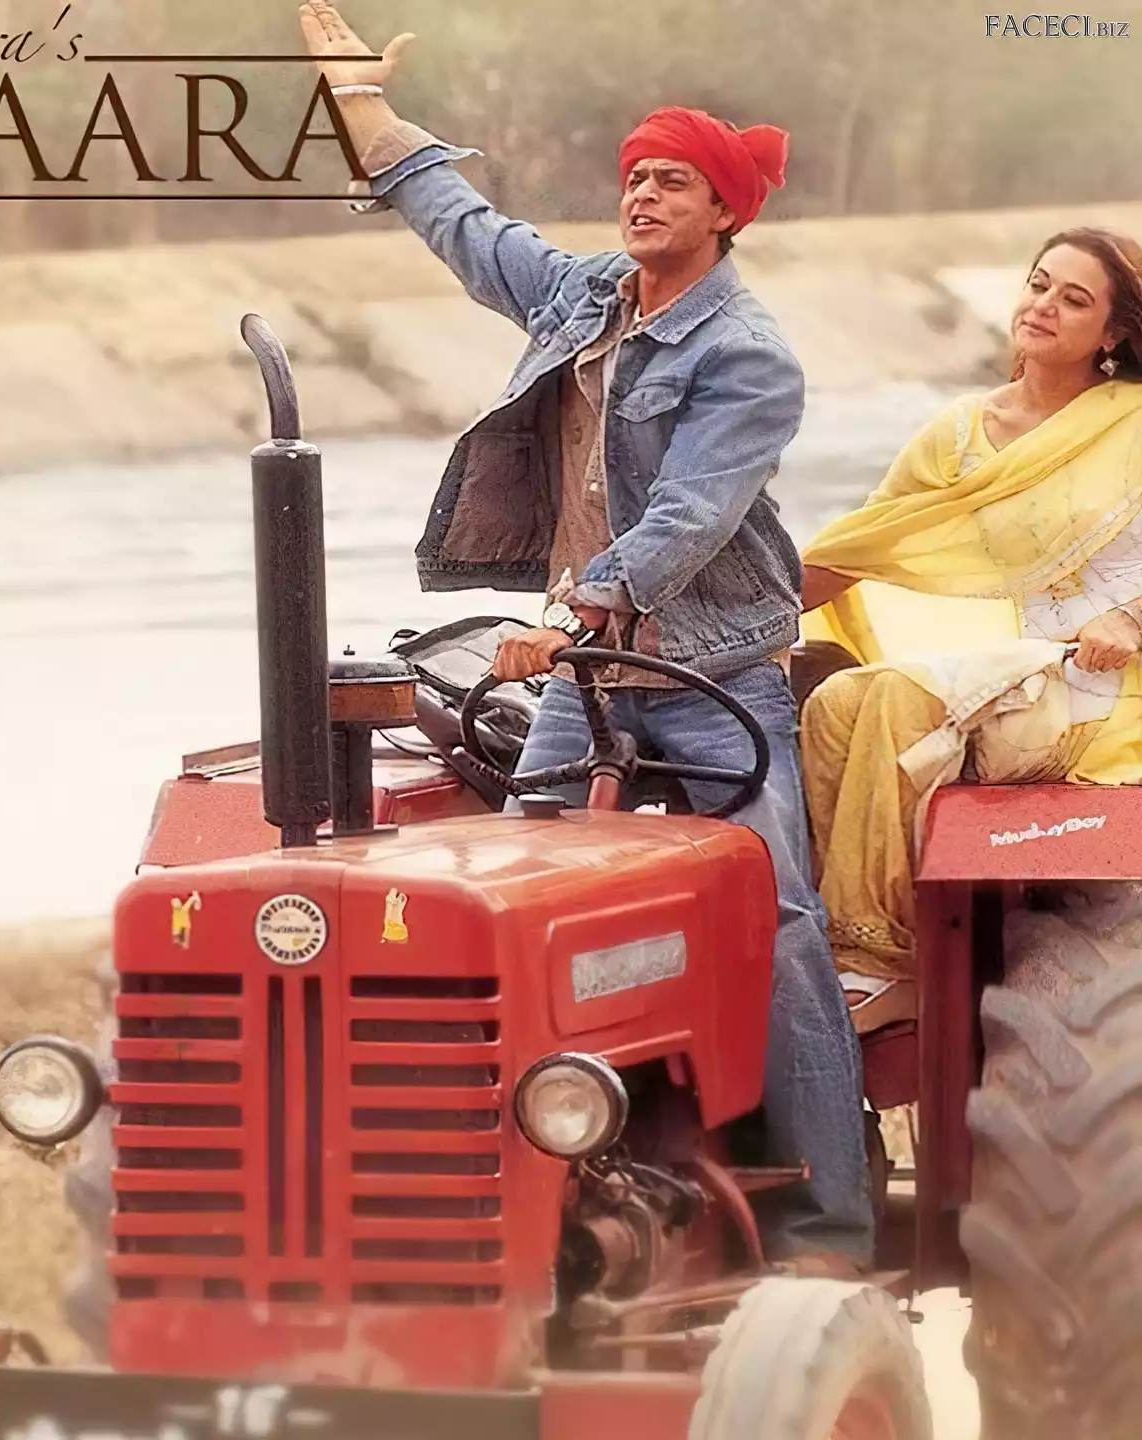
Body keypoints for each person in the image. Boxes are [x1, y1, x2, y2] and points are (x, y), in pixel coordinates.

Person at [297, 1, 873, 1273]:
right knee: (511, 899)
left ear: (724, 212)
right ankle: (500, 1192)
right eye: (634, 177)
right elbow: (468, 228)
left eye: (672, 182)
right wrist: (363, 110)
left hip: (712, 671)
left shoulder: (749, 355)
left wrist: (569, 617)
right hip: (589, 674)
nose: (642, 196)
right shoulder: (585, 298)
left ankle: (830, 1225)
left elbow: (689, 518)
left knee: (778, 918)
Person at [800, 228, 1142, 1007]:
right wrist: (717, 620)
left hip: (1112, 688)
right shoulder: (959, 433)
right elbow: (860, 545)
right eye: (1039, 284)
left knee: (894, 698)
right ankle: (828, 940)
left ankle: (877, 960)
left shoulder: (1133, 420)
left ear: (1113, 334)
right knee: (831, 703)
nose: (1044, 306)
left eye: (1074, 299)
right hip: (1029, 677)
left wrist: (1130, 619)